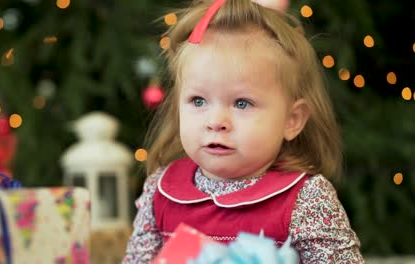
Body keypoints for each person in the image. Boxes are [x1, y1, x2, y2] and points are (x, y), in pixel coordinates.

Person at [124, 0, 364, 263]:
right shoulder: (160, 190)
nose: (216, 121)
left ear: (292, 120)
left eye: (242, 103)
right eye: (198, 101)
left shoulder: (305, 199)